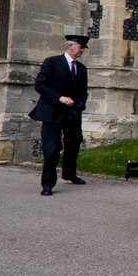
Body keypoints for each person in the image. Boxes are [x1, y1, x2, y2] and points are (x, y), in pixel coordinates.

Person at [29, 34, 90, 196]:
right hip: (52, 112)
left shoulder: (82, 69)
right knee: (52, 148)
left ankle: (70, 174)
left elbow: (83, 91)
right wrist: (59, 98)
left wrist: (81, 103)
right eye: (80, 46)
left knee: (74, 143)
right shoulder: (52, 62)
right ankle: (47, 184)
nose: (82, 50)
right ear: (70, 45)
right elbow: (40, 85)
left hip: (72, 114)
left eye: (83, 47)